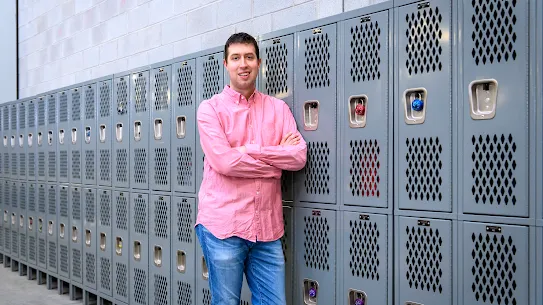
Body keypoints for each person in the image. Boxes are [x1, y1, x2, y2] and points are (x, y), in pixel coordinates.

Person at [195, 32, 307, 305]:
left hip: (267, 231)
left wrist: (249, 150)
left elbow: (298, 156)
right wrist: (273, 165)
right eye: (236, 58)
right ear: (226, 64)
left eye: (248, 57)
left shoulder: (278, 109)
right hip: (224, 228)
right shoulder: (210, 110)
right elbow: (224, 162)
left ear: (258, 62)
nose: (242, 64)